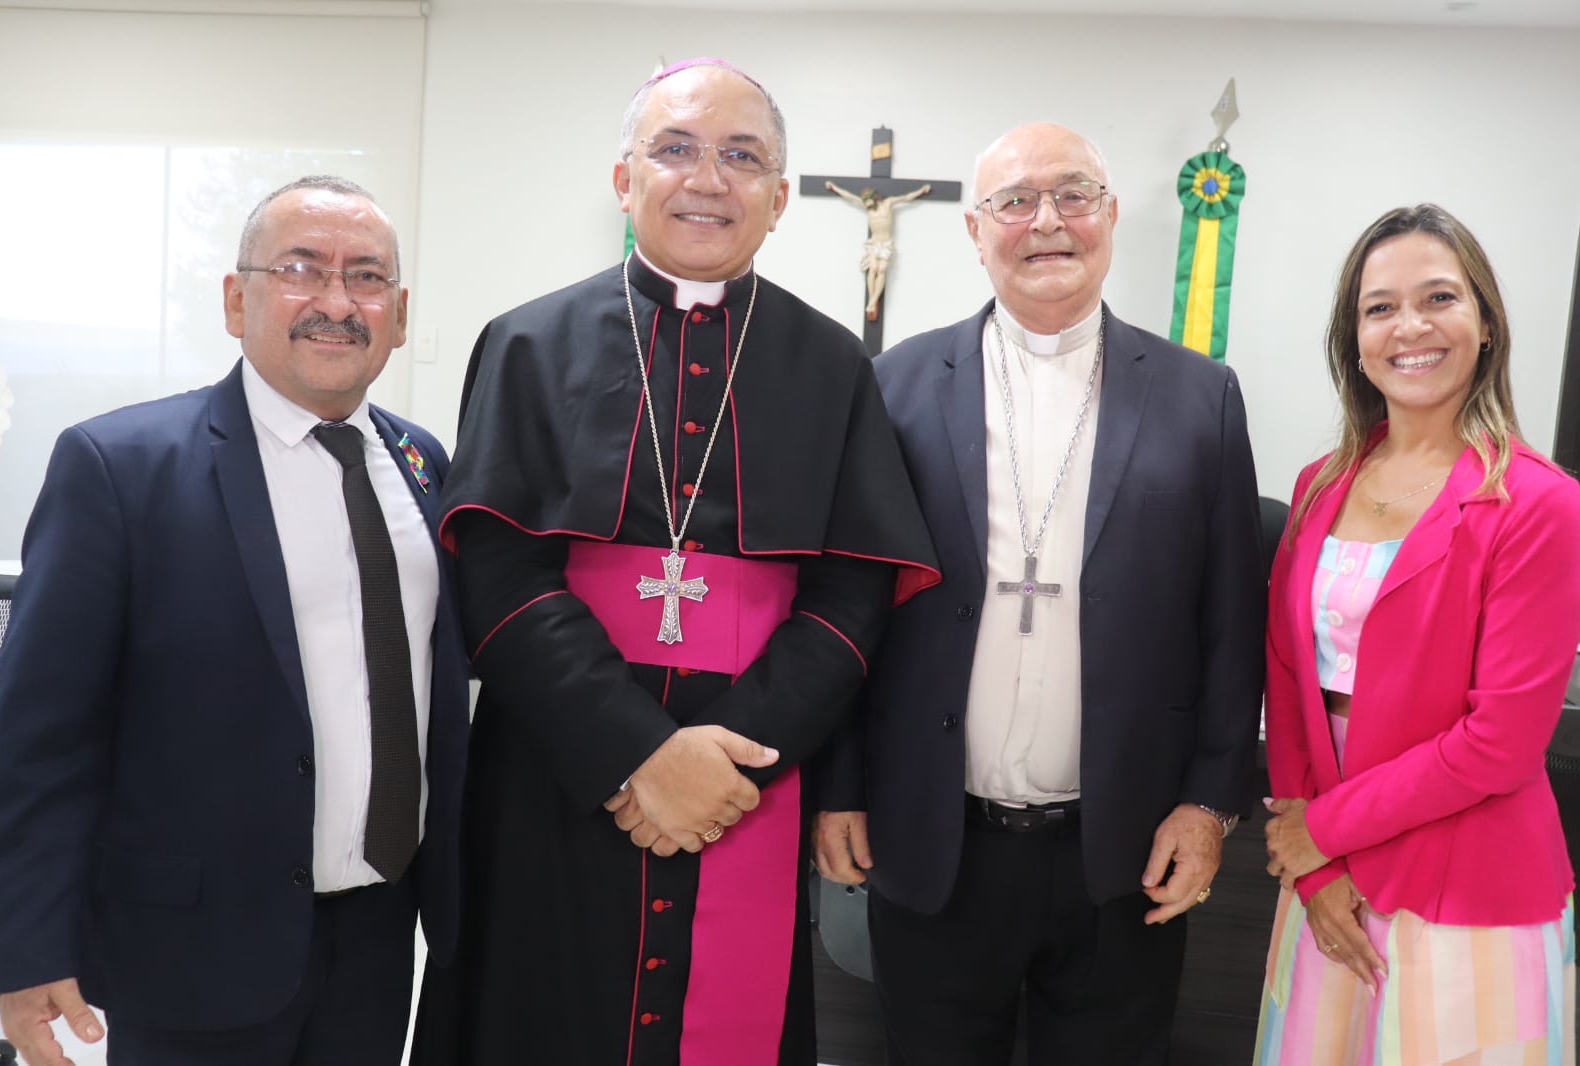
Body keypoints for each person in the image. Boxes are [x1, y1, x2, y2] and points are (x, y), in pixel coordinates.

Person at [407, 59, 938, 1066]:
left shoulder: (833, 367)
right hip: (559, 776)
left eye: (742, 157)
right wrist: (638, 756)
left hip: (749, 778)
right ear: (623, 179)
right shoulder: (525, 344)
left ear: (779, 199)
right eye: (677, 149)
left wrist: (727, 752)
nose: (708, 178)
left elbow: (852, 594)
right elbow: (500, 579)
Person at [0, 176, 470, 1066]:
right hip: (191, 947)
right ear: (237, 298)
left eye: (365, 278)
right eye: (300, 269)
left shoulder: (423, 462)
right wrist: (23, 946)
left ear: (398, 314)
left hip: (378, 936)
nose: (335, 302)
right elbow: (37, 736)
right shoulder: (119, 468)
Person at [813, 121, 1266, 1065]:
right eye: (1015, 201)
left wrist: (1210, 804)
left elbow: (1231, 620)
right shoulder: (891, 388)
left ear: (1110, 217)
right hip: (937, 837)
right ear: (977, 232)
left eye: (1073, 195)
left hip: (1124, 847)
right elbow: (846, 605)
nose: (1046, 221)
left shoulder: (1201, 396)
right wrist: (842, 784)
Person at [1256, 204, 1580, 1063]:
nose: (1411, 327)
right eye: (1380, 307)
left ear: (1485, 322)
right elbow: (1288, 680)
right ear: (1354, 338)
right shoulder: (1320, 485)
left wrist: (1323, 836)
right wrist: (1316, 869)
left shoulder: (1541, 505)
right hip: (1326, 883)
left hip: (1464, 882)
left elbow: (1501, 744)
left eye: (1439, 297)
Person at [824, 179, 932, 321]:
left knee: (881, 270)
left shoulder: (888, 203)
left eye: (869, 200)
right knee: (873, 269)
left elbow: (906, 198)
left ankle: (873, 301)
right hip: (874, 243)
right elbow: (849, 196)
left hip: (885, 242)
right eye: (865, 201)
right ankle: (871, 301)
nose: (867, 204)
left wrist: (921, 191)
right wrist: (834, 188)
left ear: (874, 198)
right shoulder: (867, 207)